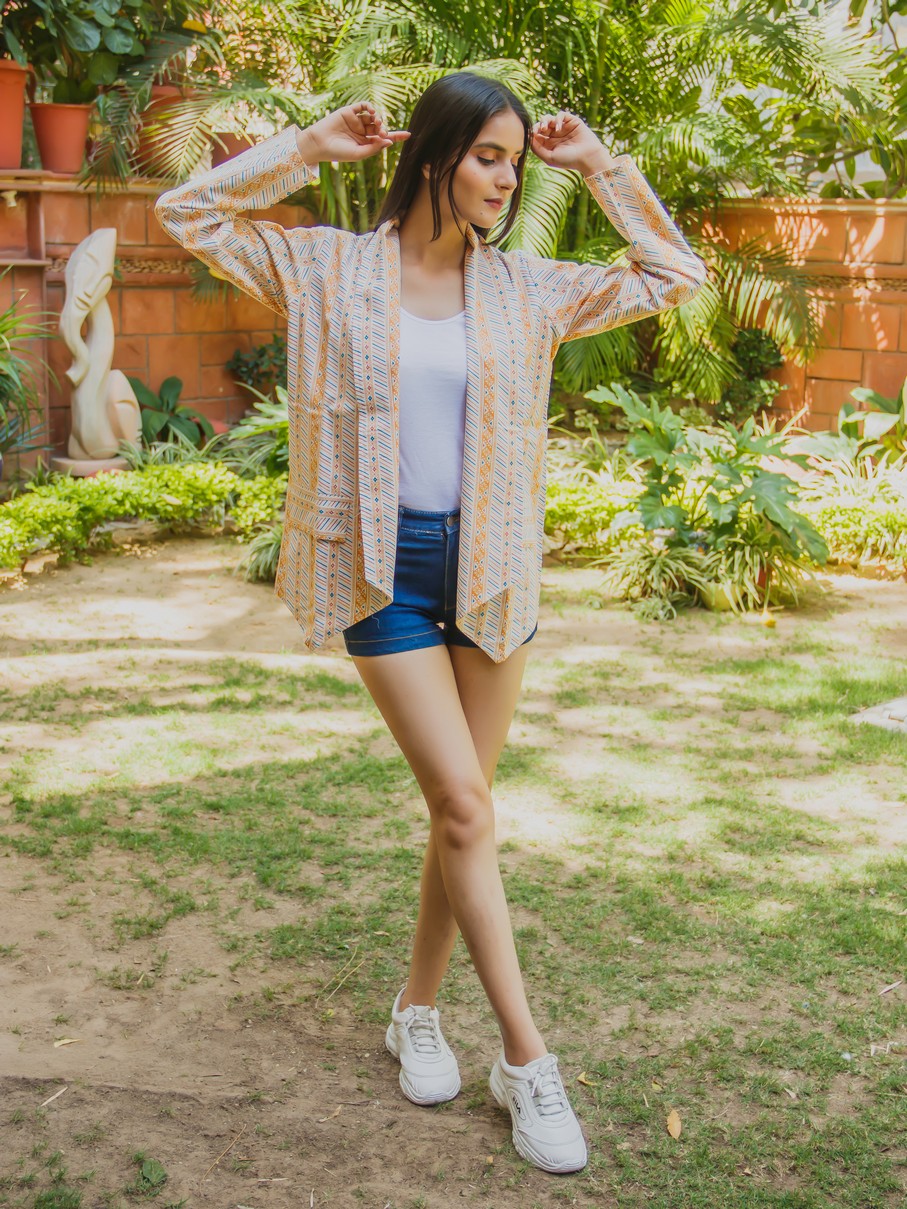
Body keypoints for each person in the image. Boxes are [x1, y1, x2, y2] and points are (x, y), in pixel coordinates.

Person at [154, 70, 706, 1175]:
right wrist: (309, 148)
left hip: (490, 571)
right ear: (435, 155)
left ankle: (415, 1009)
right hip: (380, 572)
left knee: (464, 815)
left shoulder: (528, 289)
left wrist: (600, 167)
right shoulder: (323, 267)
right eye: (487, 156)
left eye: (515, 161)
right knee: (460, 801)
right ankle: (526, 1058)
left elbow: (671, 271)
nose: (505, 179)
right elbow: (188, 211)